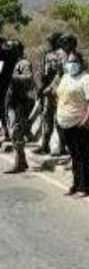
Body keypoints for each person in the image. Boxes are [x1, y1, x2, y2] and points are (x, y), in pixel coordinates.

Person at [54, 51, 89, 196]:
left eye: (74, 61)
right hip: (65, 123)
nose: (71, 64)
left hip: (80, 123)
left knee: (83, 155)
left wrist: (86, 120)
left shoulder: (87, 79)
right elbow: (59, 95)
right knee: (73, 156)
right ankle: (76, 184)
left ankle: (86, 187)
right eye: (69, 61)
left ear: (81, 63)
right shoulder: (65, 77)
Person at [4, 40, 34, 174]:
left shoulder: (23, 63)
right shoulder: (7, 62)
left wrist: (12, 76)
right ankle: (22, 161)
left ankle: (19, 163)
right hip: (9, 101)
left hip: (19, 102)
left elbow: (29, 78)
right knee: (13, 130)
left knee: (16, 132)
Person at [33, 32, 64, 156]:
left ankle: (62, 147)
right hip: (47, 92)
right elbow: (44, 73)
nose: (49, 44)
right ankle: (45, 145)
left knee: (58, 120)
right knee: (46, 117)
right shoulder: (47, 54)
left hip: (59, 91)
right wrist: (41, 88)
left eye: (51, 41)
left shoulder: (62, 54)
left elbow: (61, 74)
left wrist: (52, 87)